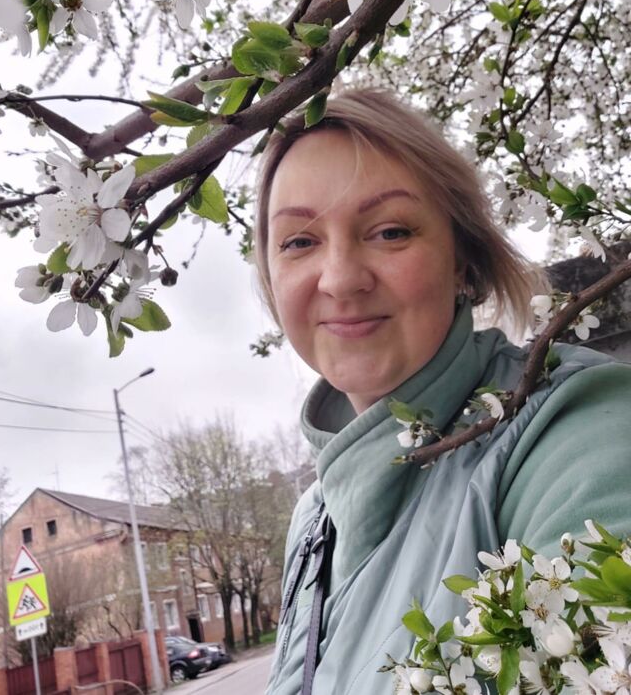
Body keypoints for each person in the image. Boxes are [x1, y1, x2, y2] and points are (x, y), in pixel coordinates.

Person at [254, 89, 631, 695]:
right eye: (298, 241)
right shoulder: (313, 522)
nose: (341, 279)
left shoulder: (577, 428)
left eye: (390, 231)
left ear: (463, 261)